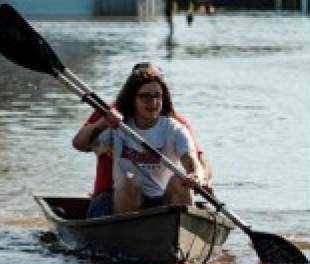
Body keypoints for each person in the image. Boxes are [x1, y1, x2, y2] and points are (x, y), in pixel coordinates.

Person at [72, 64, 208, 217]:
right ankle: (126, 232)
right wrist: (102, 123)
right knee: (130, 179)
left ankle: (178, 230)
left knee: (180, 181)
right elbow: (79, 144)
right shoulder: (115, 121)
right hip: (123, 198)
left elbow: (193, 161)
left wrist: (196, 175)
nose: (153, 102)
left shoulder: (176, 127)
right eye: (146, 97)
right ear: (132, 99)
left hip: (160, 199)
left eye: (157, 96)